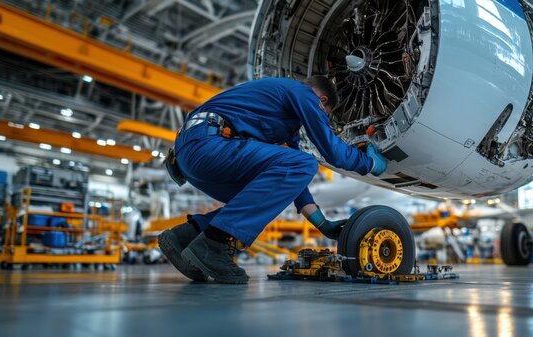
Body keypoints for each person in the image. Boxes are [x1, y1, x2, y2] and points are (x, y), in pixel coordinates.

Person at [158, 76, 387, 284]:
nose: (320, 118)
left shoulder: (284, 119)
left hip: (191, 153)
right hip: (209, 146)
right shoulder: (303, 93)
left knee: (274, 187)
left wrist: (321, 223)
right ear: (322, 99)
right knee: (305, 163)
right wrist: (369, 164)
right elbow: (331, 151)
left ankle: (187, 235)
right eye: (324, 114)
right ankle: (214, 244)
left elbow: (290, 182)